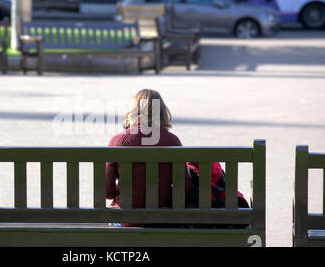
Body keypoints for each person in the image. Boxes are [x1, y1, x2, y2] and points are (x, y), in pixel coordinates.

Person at [105, 89, 249, 227]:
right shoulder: (173, 142)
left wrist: (127, 189)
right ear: (161, 113)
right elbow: (184, 188)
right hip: (163, 219)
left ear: (132, 112)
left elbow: (107, 192)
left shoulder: (117, 142)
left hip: (126, 219)